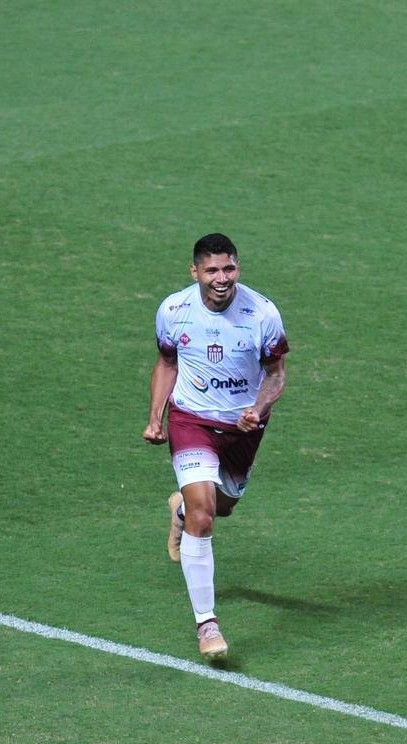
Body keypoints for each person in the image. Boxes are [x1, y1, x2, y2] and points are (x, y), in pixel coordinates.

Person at [142, 232, 289, 658]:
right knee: (205, 520)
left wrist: (258, 408)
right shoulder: (174, 310)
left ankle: (181, 511)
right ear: (195, 272)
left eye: (229, 268)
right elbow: (167, 362)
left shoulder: (262, 313)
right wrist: (156, 417)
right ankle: (207, 624)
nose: (221, 278)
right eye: (212, 270)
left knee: (221, 506)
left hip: (245, 425)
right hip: (192, 419)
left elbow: (276, 374)